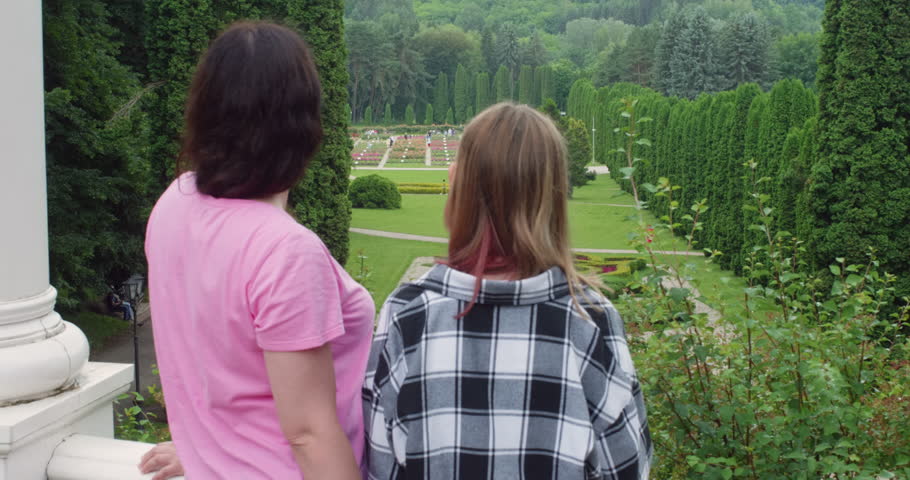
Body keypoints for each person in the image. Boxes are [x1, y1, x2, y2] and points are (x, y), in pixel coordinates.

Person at [363, 103, 652, 478]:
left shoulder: (408, 313)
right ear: (552, 199)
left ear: (456, 184)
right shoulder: (589, 317)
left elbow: (381, 460)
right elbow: (627, 466)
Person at [141, 22, 373, 480]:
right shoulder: (285, 251)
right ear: (303, 122)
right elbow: (308, 432)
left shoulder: (174, 203)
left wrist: (206, 447)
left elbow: (218, 364)